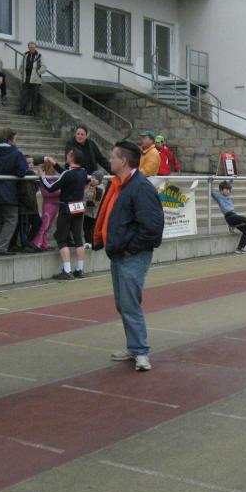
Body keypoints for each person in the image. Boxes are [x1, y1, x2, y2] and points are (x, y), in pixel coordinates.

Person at [94, 141, 164, 372]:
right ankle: (134, 347)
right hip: (119, 252)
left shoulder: (140, 187)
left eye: (113, 157)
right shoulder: (119, 185)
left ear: (123, 161)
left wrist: (129, 248)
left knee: (129, 303)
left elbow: (152, 227)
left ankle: (141, 351)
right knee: (123, 303)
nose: (109, 160)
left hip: (131, 254)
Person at [40, 150, 89, 279]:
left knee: (61, 239)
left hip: (66, 208)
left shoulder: (67, 174)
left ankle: (67, 271)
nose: (66, 156)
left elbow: (51, 188)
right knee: (78, 238)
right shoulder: (83, 172)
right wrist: (55, 164)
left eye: (68, 155)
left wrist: (42, 177)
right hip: (79, 207)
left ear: (71, 158)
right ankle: (79, 269)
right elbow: (68, 175)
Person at [0, 128, 29, 255]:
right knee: (11, 219)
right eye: (15, 139)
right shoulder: (16, 152)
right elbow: (22, 171)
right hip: (9, 192)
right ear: (10, 139)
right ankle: (1, 247)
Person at [211, 180, 246, 253]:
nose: (228, 191)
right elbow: (212, 192)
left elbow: (230, 184)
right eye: (226, 190)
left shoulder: (228, 195)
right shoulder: (219, 196)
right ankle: (232, 226)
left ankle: (240, 248)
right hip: (229, 217)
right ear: (221, 190)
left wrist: (232, 178)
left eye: (229, 190)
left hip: (234, 216)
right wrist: (210, 182)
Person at [32, 158, 60, 251]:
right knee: (44, 224)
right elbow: (48, 192)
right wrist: (60, 190)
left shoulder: (57, 176)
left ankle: (44, 242)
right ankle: (37, 242)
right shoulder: (44, 177)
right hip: (49, 204)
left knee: (49, 226)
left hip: (56, 204)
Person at [18, 42, 45, 116]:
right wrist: (22, 72)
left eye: (33, 47)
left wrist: (38, 72)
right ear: (28, 48)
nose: (32, 48)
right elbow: (21, 66)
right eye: (30, 47)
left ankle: (34, 112)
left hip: (35, 80)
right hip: (26, 78)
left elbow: (44, 67)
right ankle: (22, 110)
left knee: (35, 96)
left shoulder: (39, 56)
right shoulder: (25, 55)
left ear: (35, 48)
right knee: (24, 95)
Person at [83, 170, 105, 247]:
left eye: (95, 178)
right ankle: (88, 243)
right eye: (92, 177)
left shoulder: (99, 189)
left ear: (99, 180)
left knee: (91, 229)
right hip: (87, 212)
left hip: (94, 214)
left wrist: (84, 203)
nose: (93, 179)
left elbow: (96, 203)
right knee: (85, 227)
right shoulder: (90, 185)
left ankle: (92, 243)